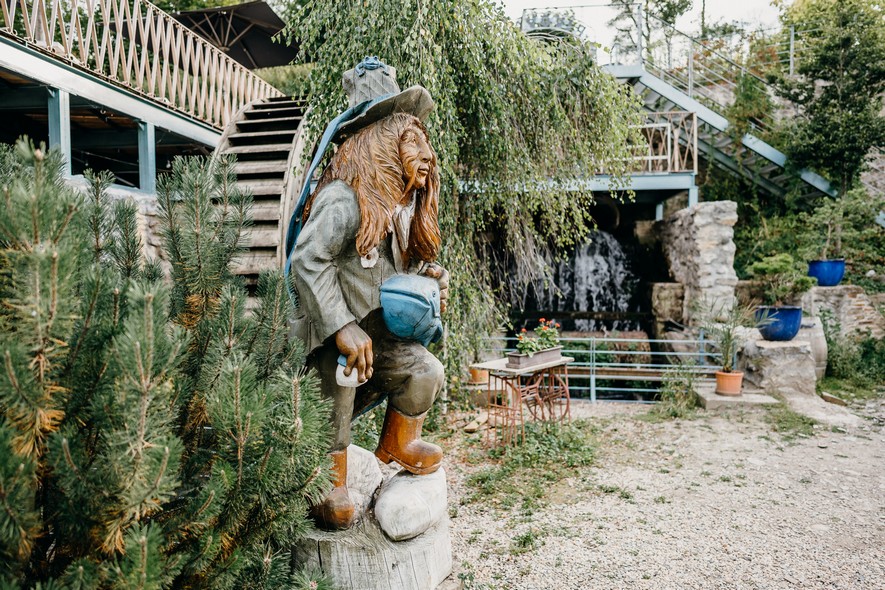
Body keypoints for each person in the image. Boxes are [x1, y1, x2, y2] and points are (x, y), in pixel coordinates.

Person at [287, 58, 449, 530]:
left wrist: (426, 280)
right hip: (334, 343)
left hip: (380, 338)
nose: (427, 153)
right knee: (338, 386)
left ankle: (398, 443)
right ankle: (328, 481)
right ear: (381, 144)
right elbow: (307, 260)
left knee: (425, 371)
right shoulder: (342, 198)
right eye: (413, 142)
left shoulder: (395, 209)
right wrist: (341, 326)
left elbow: (391, 271)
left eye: (423, 141)